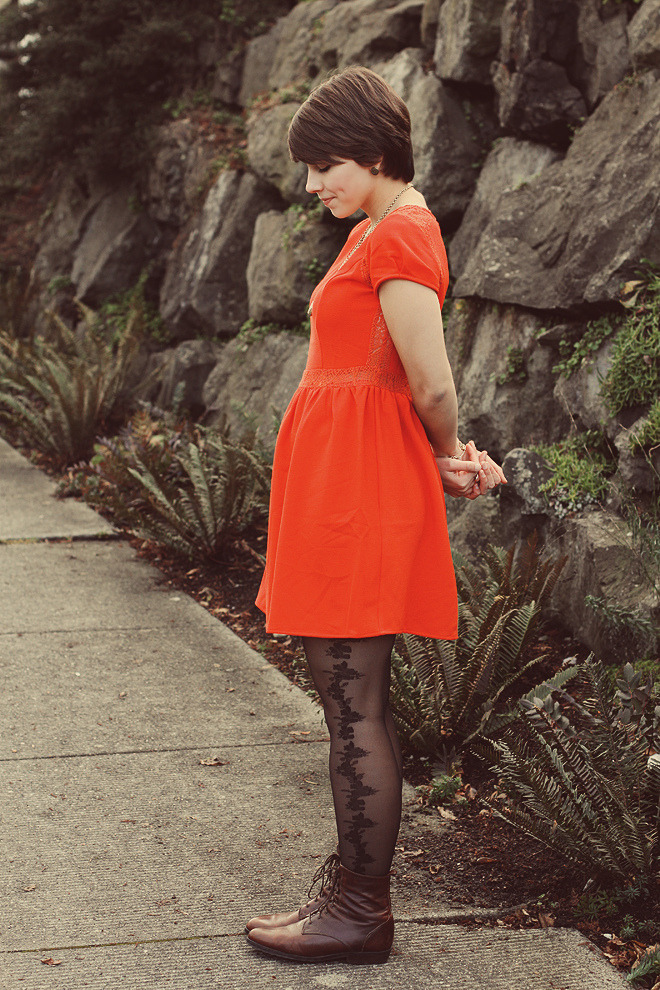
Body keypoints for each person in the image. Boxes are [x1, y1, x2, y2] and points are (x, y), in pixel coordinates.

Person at [245, 66, 506, 964]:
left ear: (372, 151)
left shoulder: (400, 232)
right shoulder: (380, 229)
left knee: (353, 705)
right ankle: (354, 897)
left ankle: (360, 912)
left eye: (325, 165)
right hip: (344, 486)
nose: (313, 184)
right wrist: (439, 457)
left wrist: (448, 452)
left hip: (356, 493)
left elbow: (429, 377)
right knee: (347, 702)